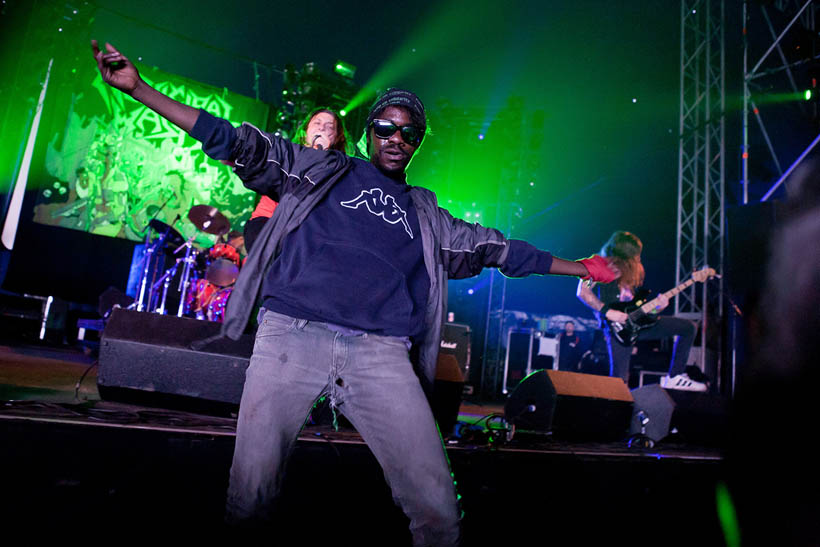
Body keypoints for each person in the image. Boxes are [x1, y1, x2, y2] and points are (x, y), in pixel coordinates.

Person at [92, 40, 619, 544]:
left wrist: (581, 269)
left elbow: (502, 251)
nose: (396, 137)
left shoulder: (429, 217)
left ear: (416, 144)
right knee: (249, 502)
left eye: (408, 133)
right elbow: (236, 140)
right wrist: (139, 89)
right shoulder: (320, 169)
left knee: (439, 512)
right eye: (386, 127)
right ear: (368, 134)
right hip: (291, 338)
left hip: (381, 356)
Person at [576, 230, 706, 391]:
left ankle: (675, 376)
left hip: (638, 323)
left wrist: (656, 308)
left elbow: (637, 305)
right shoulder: (598, 265)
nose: (638, 258)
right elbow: (582, 292)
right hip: (618, 329)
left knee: (689, 327)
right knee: (620, 382)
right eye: (634, 255)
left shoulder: (636, 269)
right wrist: (607, 312)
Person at [243, 107, 349, 253]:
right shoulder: (288, 155)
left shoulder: (338, 170)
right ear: (305, 131)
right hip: (267, 223)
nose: (322, 128)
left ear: (337, 137)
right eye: (317, 123)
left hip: (304, 235)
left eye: (330, 126)